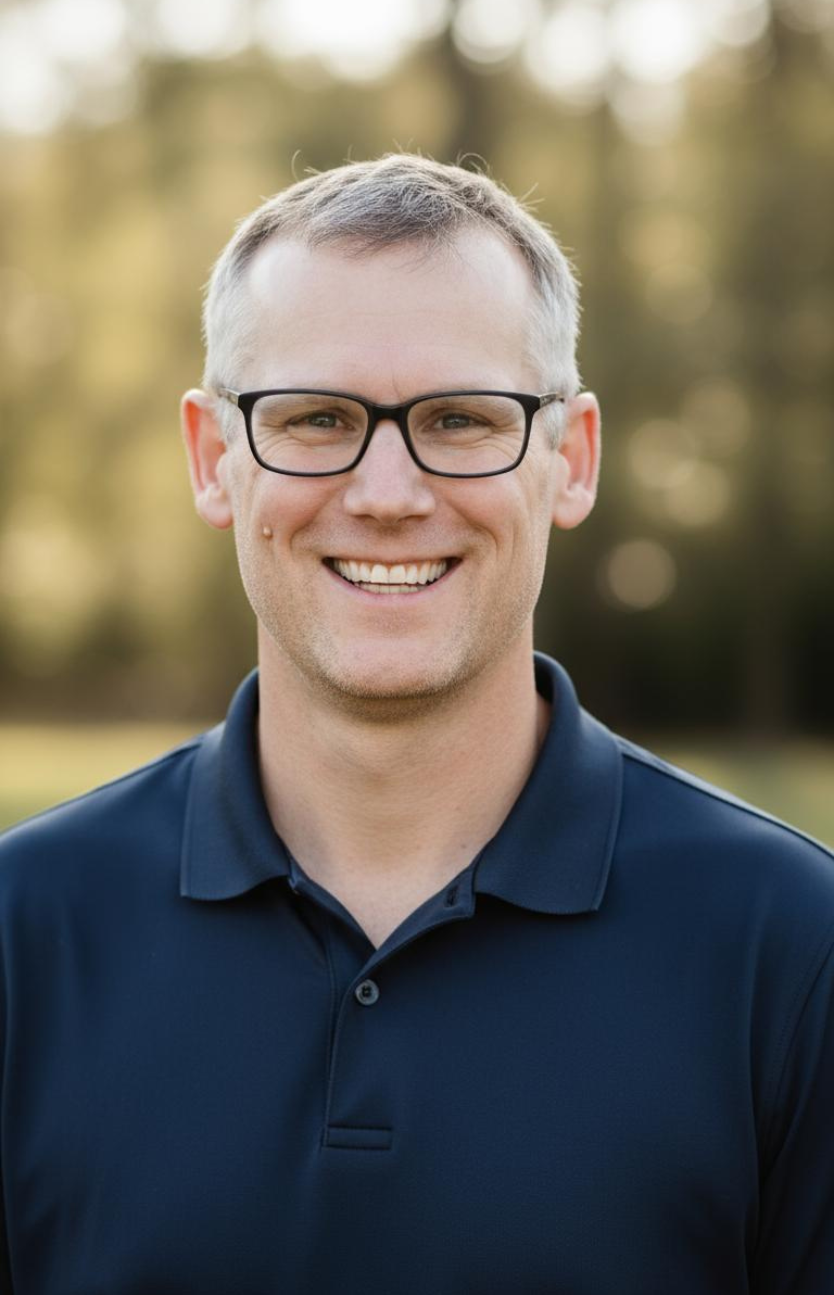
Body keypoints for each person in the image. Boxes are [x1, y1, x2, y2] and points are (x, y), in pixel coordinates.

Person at [1, 155, 832, 1295]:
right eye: (315, 417)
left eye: (458, 416)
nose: (388, 490)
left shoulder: (793, 944)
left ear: (570, 456)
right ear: (213, 457)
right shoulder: (20, 933)